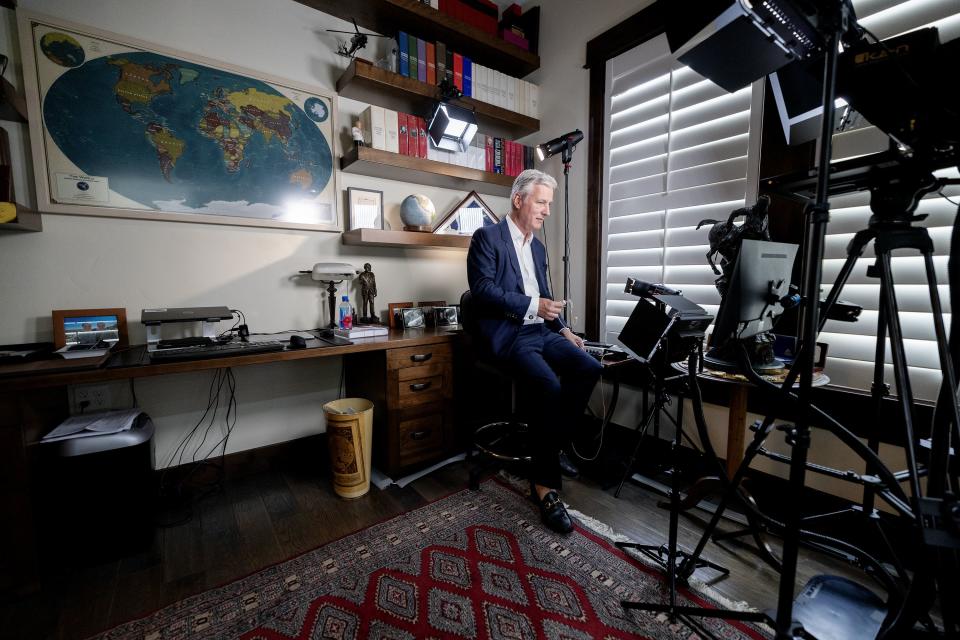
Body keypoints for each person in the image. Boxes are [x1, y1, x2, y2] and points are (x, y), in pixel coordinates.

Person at [467, 169, 602, 534]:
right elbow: (482, 290)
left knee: (589, 367)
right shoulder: (487, 238)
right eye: (541, 202)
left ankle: (552, 444)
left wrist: (565, 330)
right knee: (549, 387)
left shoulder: (539, 248)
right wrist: (534, 306)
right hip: (509, 334)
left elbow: (547, 302)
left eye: (549, 204)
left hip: (541, 330)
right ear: (519, 200)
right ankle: (545, 487)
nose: (546, 211)